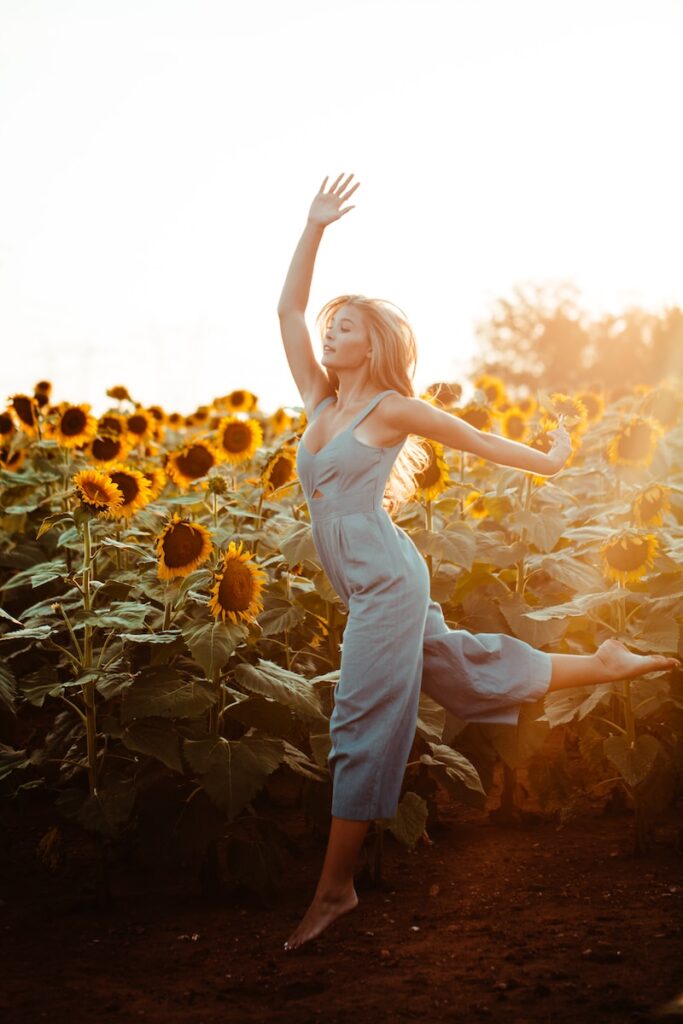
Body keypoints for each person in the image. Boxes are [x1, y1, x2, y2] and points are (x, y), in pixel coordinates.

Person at [277, 173, 681, 952]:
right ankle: (602, 663)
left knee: (357, 719)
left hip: (388, 584)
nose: (331, 336)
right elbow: (288, 309)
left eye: (347, 328)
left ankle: (334, 891)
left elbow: (473, 438)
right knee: (460, 671)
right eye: (333, 328)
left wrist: (553, 462)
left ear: (375, 345)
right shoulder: (319, 403)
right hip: (366, 582)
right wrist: (313, 226)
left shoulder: (387, 408)